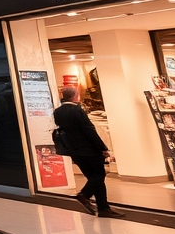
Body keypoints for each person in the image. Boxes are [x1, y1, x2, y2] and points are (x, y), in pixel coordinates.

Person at [52, 86, 123, 218]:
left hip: (73, 150)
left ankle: (103, 208)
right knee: (99, 174)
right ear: (75, 95)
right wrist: (102, 148)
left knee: (93, 177)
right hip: (87, 149)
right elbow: (89, 130)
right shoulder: (77, 110)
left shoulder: (58, 112)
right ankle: (84, 195)